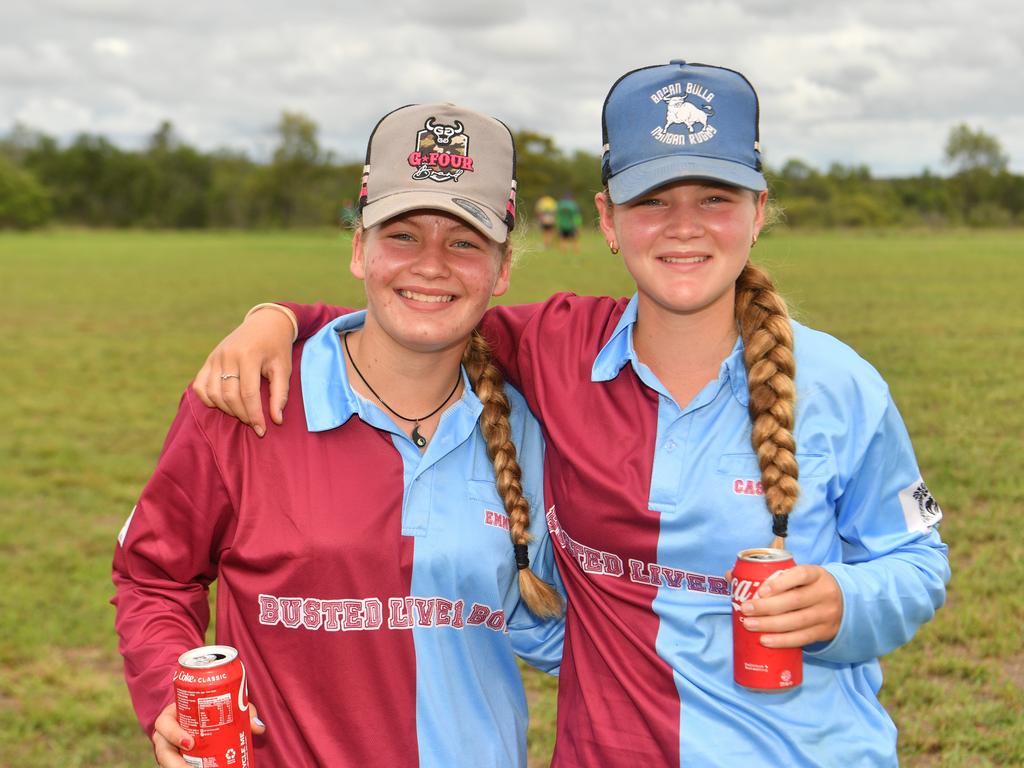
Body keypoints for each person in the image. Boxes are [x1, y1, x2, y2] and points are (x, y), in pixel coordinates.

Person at [193, 61, 950, 767]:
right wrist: (281, 318)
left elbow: (917, 562)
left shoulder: (843, 386)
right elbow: (417, 310)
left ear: (757, 213)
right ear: (608, 221)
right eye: (651, 200)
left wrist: (845, 602)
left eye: (714, 198)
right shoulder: (557, 347)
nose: (683, 225)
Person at [113, 103, 564, 768]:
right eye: (403, 235)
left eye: (464, 241)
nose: (432, 265)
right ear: (360, 249)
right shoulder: (246, 399)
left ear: (501, 270)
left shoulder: (526, 424)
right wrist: (167, 692)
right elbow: (153, 576)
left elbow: (579, 624)